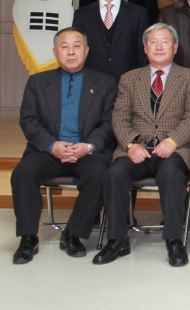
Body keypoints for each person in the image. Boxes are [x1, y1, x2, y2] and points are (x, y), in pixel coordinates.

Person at [94, 24, 190, 267]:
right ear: (145, 48)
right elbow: (119, 116)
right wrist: (130, 144)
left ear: (175, 47)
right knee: (114, 174)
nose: (159, 47)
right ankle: (116, 239)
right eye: (153, 42)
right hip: (137, 149)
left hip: (175, 149)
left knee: (171, 174)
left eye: (165, 41)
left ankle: (174, 240)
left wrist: (172, 141)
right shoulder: (130, 78)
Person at [10, 27, 117, 264]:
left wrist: (88, 146)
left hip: (88, 151)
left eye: (76, 46)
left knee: (101, 175)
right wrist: (52, 145)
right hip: (49, 151)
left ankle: (73, 234)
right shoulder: (37, 82)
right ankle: (28, 237)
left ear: (86, 51)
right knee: (23, 173)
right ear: (55, 52)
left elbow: (109, 122)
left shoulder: (105, 82)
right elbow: (28, 120)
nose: (70, 52)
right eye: (64, 47)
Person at [73, 0, 149, 79]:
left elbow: (143, 54)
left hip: (128, 83)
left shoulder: (138, 14)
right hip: (91, 84)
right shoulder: (81, 15)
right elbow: (77, 52)